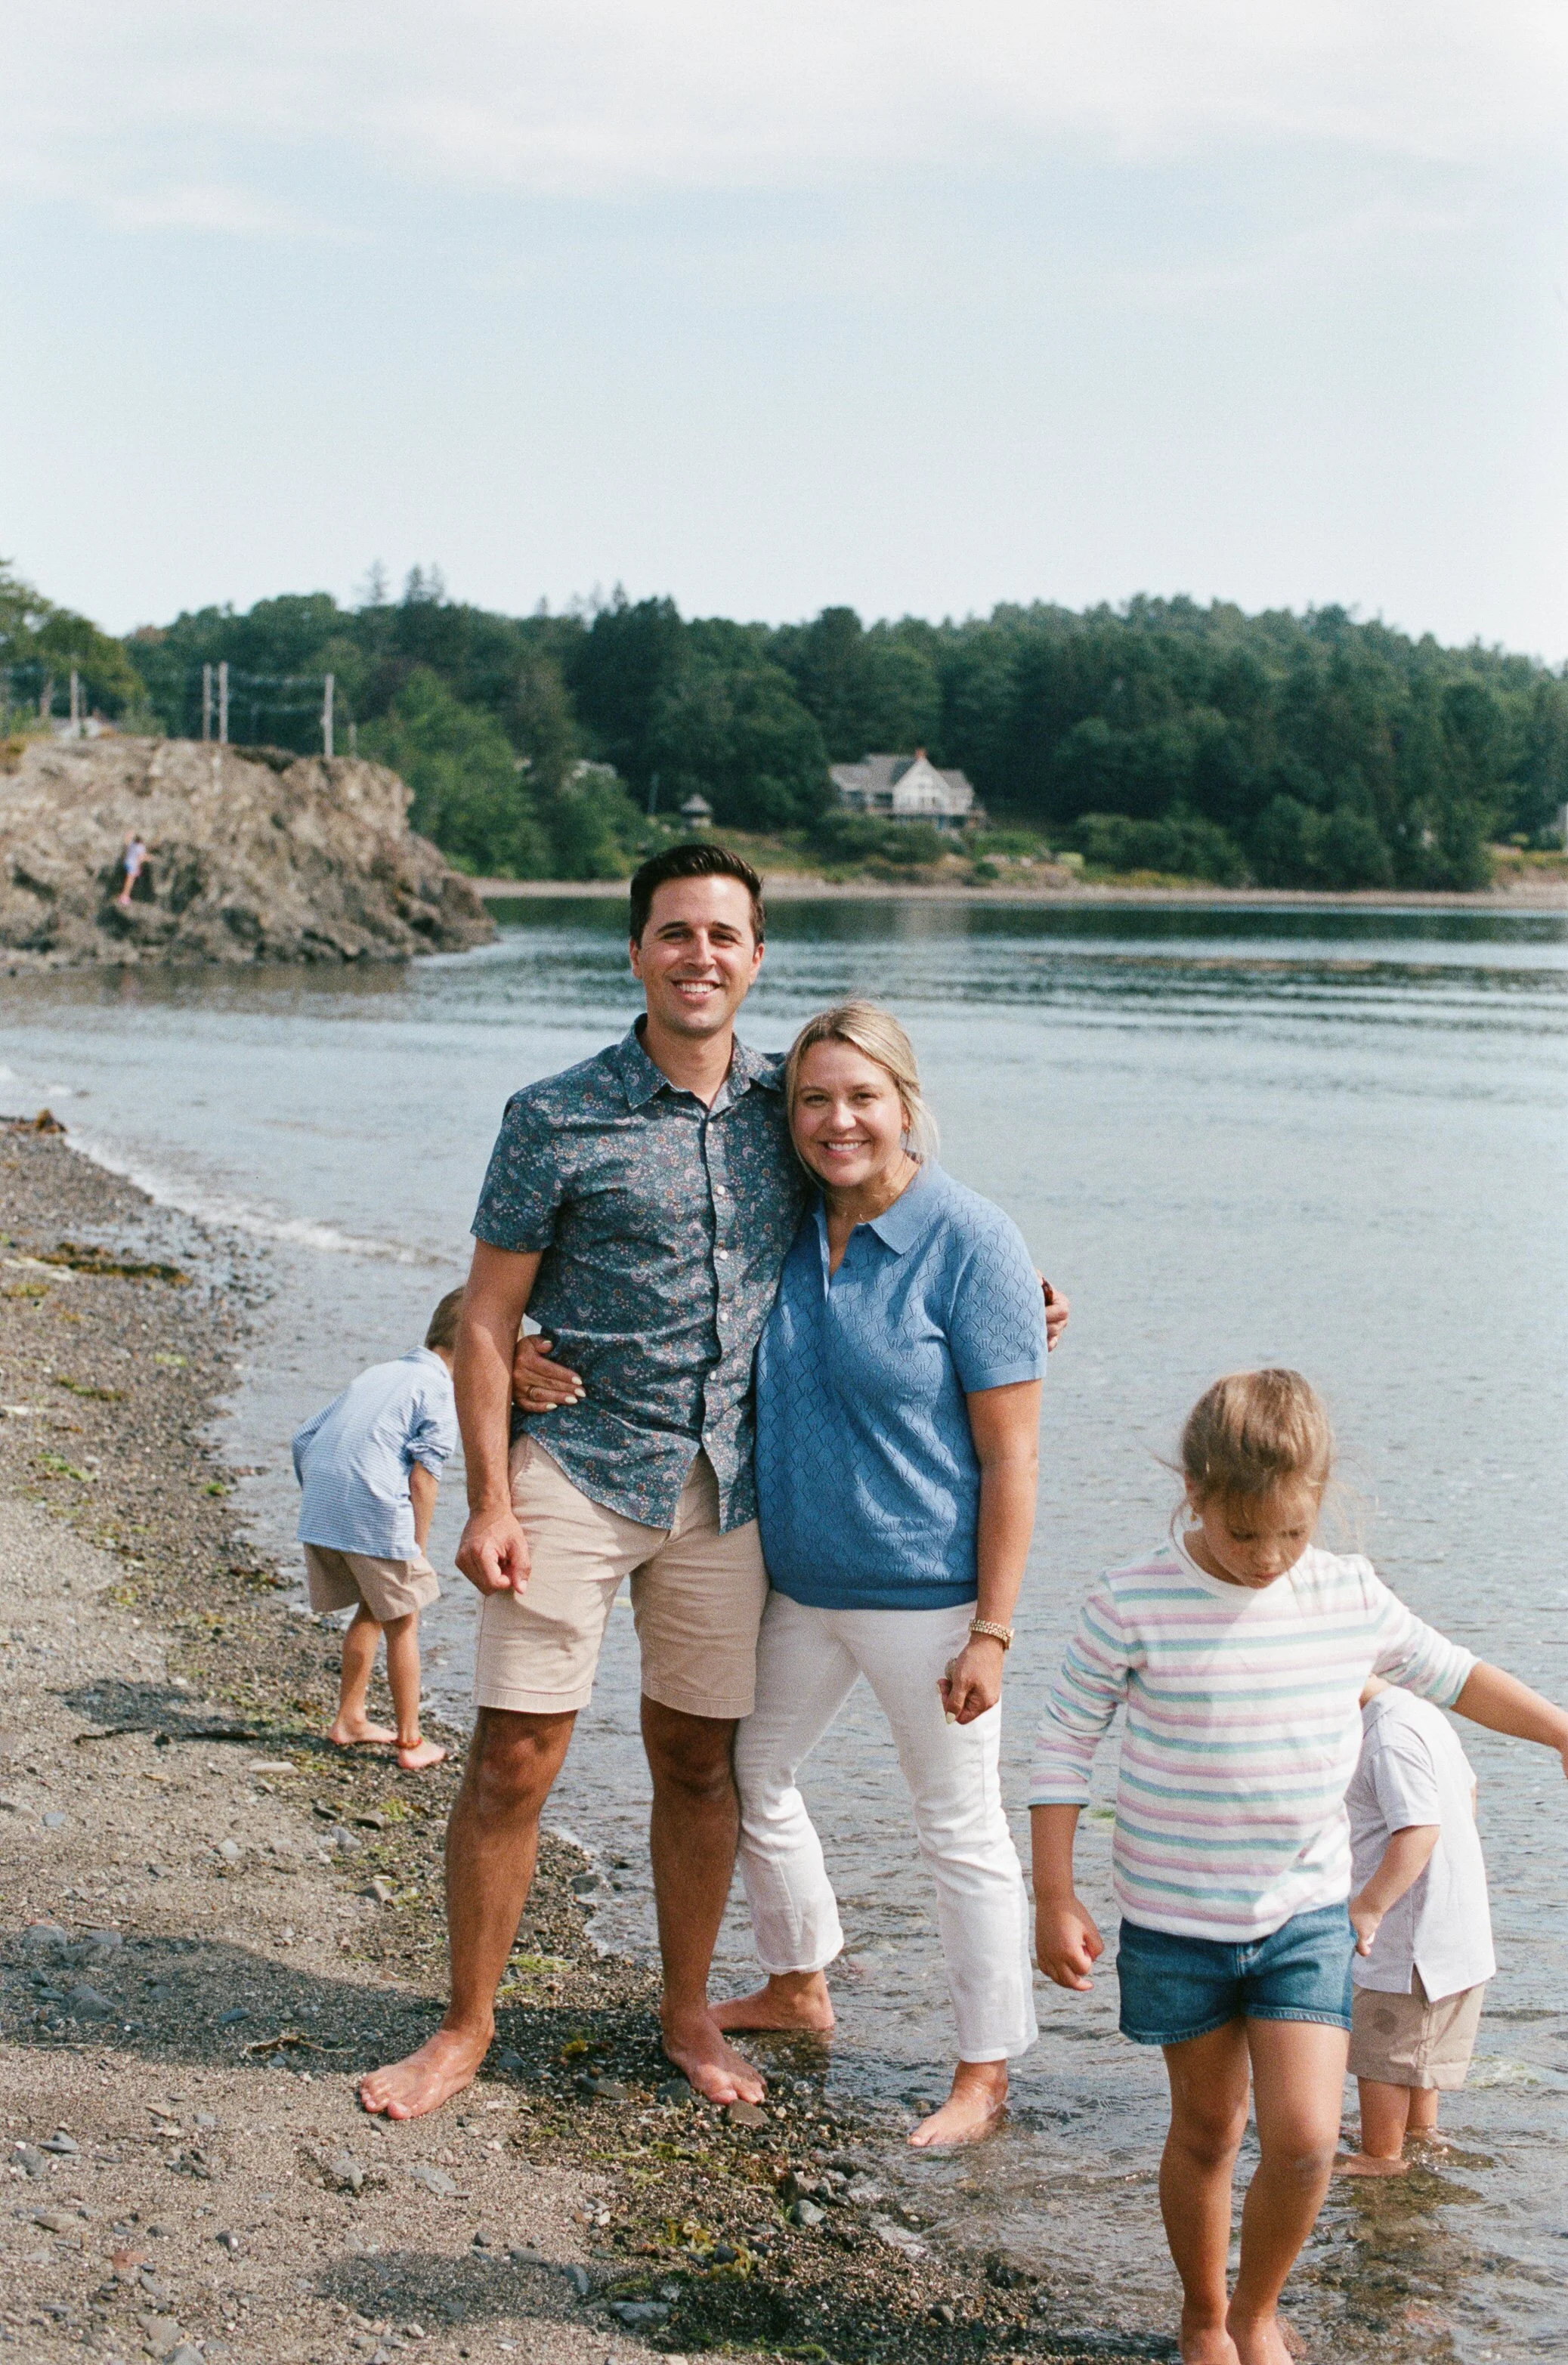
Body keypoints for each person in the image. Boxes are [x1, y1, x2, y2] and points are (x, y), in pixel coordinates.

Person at [359, 843, 1071, 2125]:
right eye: (675, 934)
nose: (699, 956)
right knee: (517, 1752)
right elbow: (482, 1317)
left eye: (723, 937)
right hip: (576, 1469)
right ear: (635, 951)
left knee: (702, 1762)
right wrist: (487, 1495)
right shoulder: (553, 1116)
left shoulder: (786, 1112)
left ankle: (691, 2009)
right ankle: (466, 2025)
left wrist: (1014, 1300)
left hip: (732, 1494)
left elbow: (892, 1200)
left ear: (755, 959)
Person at [1030, 1368, 1568, 2365]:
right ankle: (1200, 2314)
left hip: (1303, 1918)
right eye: (1244, 1536)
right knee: (1205, 2130)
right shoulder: (1130, 1599)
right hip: (1176, 1922)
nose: (1268, 1557)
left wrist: (1556, 1732)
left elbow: (1452, 1672)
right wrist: (1051, 1891)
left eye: (1291, 1530)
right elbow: (1062, 1742)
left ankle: (1255, 2308)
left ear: (1317, 1499)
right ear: (1194, 1492)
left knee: (1306, 2137)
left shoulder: (1345, 1592)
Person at [712, 1003, 1049, 2149]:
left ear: (907, 1103)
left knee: (958, 1829)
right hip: (799, 1587)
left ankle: (983, 2070)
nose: (836, 1119)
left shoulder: (973, 1242)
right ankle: (797, 1982)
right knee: (748, 1770)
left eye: (861, 1096)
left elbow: (1010, 1454)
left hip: (927, 1599)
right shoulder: (789, 1221)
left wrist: (992, 1629)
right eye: (813, 1099)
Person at [291, 1288, 462, 1774]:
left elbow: (304, 1437)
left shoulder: (379, 1372)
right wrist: (417, 1547)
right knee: (405, 1617)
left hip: (322, 1505)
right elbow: (423, 1479)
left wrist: (325, 1499)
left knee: (373, 1605)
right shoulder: (441, 1391)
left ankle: (350, 1718)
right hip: (375, 1505)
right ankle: (411, 1739)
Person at [1335, 1673, 1494, 2176]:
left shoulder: (1385, 1738)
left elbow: (1419, 1830)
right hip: (1453, 1930)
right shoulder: (1421, 1714)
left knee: (1381, 2050)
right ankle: (1419, 2136)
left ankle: (1380, 2156)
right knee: (1417, 2055)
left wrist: (1369, 1904)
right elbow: (1466, 1793)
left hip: (1410, 1944)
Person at [115, 833, 148, 910]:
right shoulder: (141, 847)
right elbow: (141, 858)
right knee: (130, 882)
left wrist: (128, 834)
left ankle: (123, 895)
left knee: (127, 880)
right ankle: (124, 897)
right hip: (133, 865)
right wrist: (149, 858)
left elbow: (126, 842)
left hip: (127, 862)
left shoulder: (132, 843)